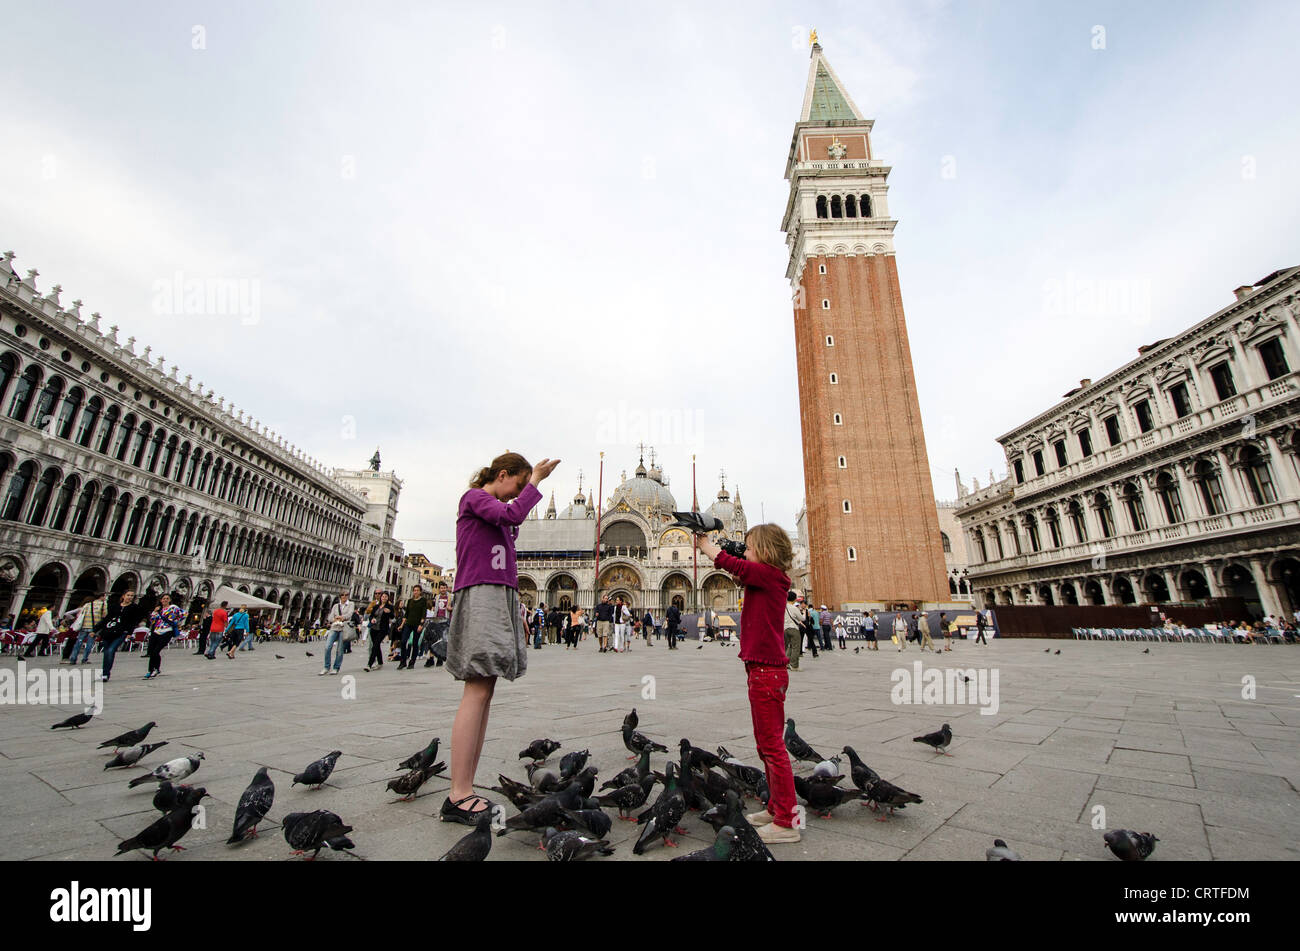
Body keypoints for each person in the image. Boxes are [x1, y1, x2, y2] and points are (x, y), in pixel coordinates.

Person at [441, 450, 556, 826]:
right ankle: (458, 794)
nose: (516, 494)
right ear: (503, 474)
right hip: (481, 592)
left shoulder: (498, 509)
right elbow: (512, 514)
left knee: (485, 689)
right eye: (517, 485)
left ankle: (466, 786)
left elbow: (510, 524)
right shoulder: (475, 498)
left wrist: (516, 613)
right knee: (476, 688)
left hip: (499, 594)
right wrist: (535, 480)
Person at [694, 524, 800, 845]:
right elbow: (742, 573)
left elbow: (736, 565)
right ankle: (776, 808)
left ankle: (786, 822)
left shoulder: (770, 574)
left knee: (773, 748)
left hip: (768, 672)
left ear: (766, 551)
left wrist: (707, 546)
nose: (746, 551)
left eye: (750, 546)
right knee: (764, 745)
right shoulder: (766, 578)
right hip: (760, 668)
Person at [97, 590, 148, 682]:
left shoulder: (134, 608)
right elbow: (107, 619)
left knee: (111, 650)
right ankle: (105, 673)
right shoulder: (114, 606)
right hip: (109, 631)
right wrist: (95, 629)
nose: (130, 597)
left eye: (132, 596)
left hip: (121, 632)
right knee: (107, 652)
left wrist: (129, 632)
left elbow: (134, 621)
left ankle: (105, 673)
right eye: (128, 595)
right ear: (123, 596)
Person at [144, 593, 184, 679]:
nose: (165, 600)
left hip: (167, 631)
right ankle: (152, 670)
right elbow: (152, 620)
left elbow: (183, 614)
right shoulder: (159, 610)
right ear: (160, 600)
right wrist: (154, 612)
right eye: (163, 598)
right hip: (156, 631)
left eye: (167, 598)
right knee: (152, 652)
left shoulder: (173, 607)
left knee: (156, 651)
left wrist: (175, 621)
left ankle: (154, 670)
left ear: (169, 600)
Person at [70, 595, 108, 664]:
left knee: (78, 643)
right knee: (89, 644)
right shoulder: (103, 604)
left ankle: (73, 658)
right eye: (105, 597)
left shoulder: (87, 604)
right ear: (101, 597)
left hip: (84, 626)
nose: (105, 598)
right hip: (94, 628)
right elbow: (105, 615)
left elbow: (80, 615)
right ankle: (84, 659)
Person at [322, 593, 352, 675]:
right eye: (342, 595)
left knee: (339, 649)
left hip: (343, 629)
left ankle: (336, 667)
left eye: (346, 595)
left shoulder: (351, 604)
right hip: (334, 627)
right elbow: (330, 617)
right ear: (340, 596)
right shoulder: (335, 606)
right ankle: (326, 667)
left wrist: (341, 617)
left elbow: (350, 614)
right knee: (327, 647)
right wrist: (334, 619)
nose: (344, 597)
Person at [365, 591, 395, 671]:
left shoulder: (389, 607)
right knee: (376, 645)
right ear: (380, 598)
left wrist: (389, 612)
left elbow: (392, 617)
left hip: (383, 629)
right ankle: (380, 662)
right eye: (383, 596)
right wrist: (372, 620)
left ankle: (369, 664)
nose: (384, 598)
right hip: (374, 628)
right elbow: (371, 616)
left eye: (386, 596)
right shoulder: (376, 607)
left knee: (375, 646)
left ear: (388, 598)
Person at [424, 583, 451, 667]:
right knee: (433, 639)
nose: (442, 589)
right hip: (437, 619)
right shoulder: (437, 597)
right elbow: (436, 608)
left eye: (444, 588)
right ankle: (431, 658)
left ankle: (440, 658)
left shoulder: (451, 597)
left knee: (442, 640)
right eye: (441, 588)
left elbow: (456, 607)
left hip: (445, 620)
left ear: (446, 588)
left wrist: (451, 609)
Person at [398, 586, 425, 670]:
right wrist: (402, 625)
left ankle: (412, 662)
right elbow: (406, 614)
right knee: (403, 641)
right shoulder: (410, 601)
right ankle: (403, 662)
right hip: (408, 623)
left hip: (417, 624)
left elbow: (424, 613)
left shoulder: (423, 600)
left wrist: (421, 624)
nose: (415, 592)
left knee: (415, 643)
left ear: (420, 592)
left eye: (417, 590)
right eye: (414, 590)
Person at [783, 591, 804, 670]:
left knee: (788, 646)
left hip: (784, 629)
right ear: (794, 599)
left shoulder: (783, 607)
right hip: (793, 628)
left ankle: (786, 663)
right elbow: (802, 618)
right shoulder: (794, 608)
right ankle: (794, 665)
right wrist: (804, 613)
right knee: (796, 647)